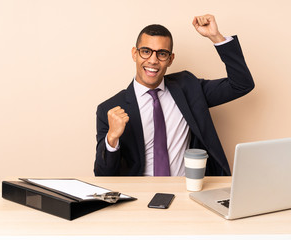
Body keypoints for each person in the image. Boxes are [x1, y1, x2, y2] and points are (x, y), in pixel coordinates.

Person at [94, 14, 254, 176]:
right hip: (140, 193)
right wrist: (112, 138)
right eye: (146, 51)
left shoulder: (189, 88)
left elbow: (241, 84)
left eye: (162, 54)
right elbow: (103, 175)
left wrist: (216, 37)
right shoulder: (109, 109)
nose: (153, 60)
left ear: (170, 59)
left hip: (187, 190)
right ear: (135, 54)